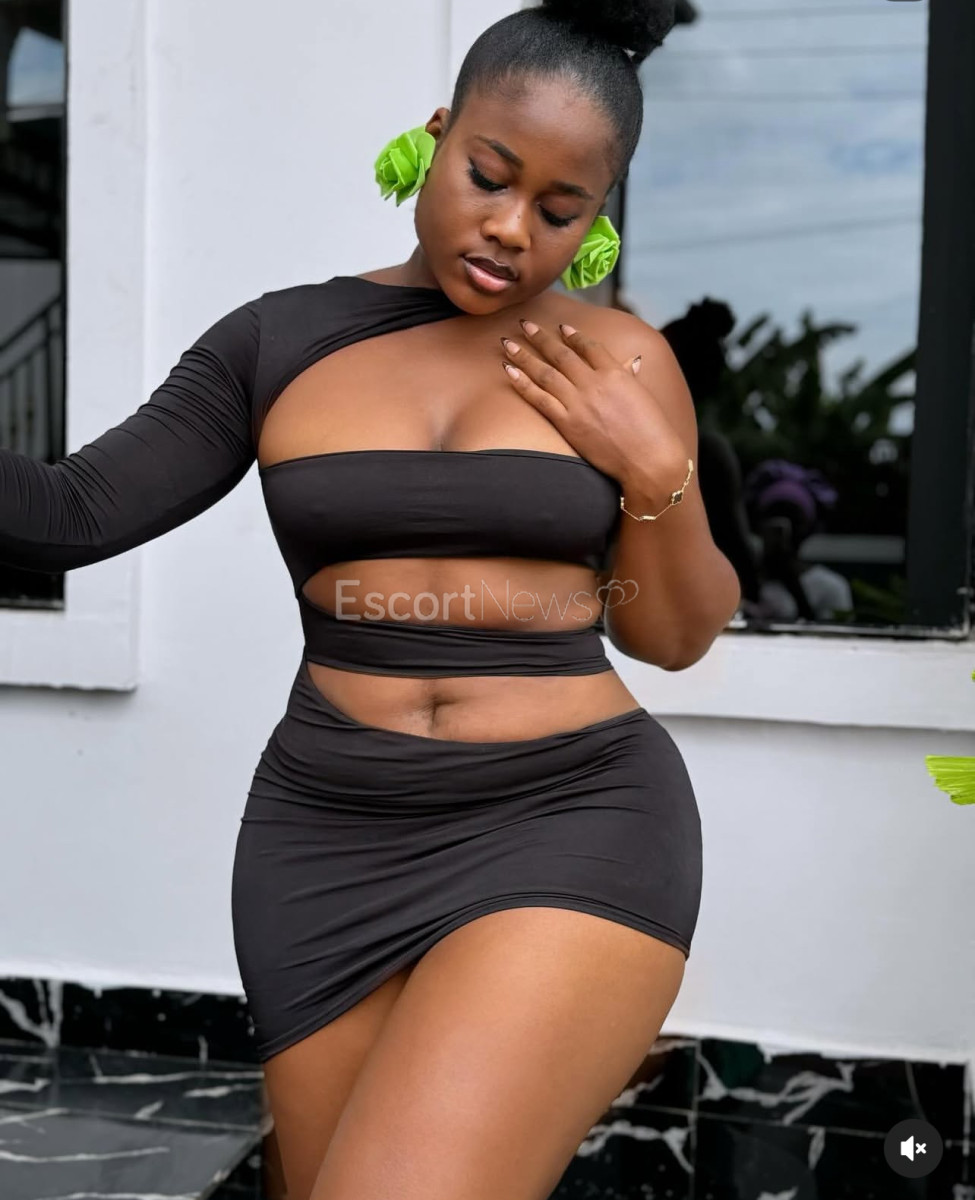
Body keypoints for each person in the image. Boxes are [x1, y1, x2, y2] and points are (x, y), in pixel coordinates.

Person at [0, 2, 741, 1197]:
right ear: (437, 136)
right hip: (326, 835)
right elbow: (68, 515)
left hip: (571, 815)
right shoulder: (277, 343)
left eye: (560, 210)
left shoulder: (619, 360)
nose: (511, 228)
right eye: (489, 175)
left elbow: (674, 634)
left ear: (600, 216)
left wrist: (658, 471)